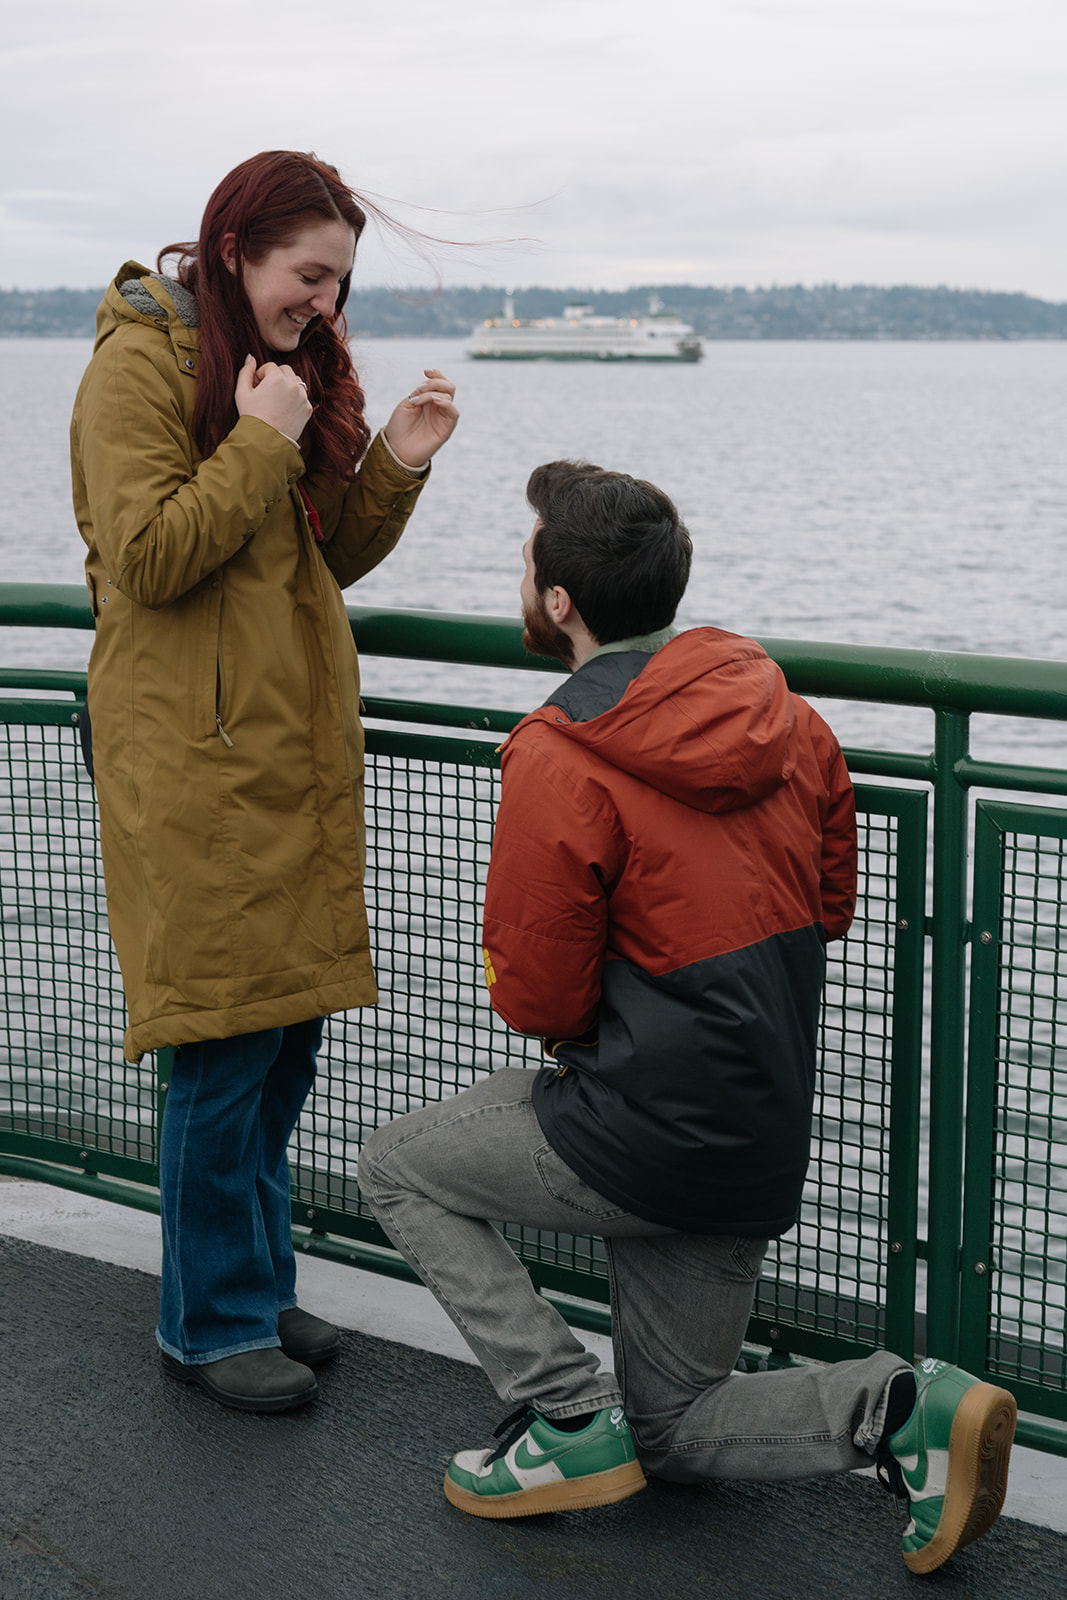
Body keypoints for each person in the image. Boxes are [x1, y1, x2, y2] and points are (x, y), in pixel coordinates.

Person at [359, 461, 1016, 1574]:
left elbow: (535, 997)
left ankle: (563, 1411)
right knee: (672, 1422)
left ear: (558, 602)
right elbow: (831, 901)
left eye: (527, 556)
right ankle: (903, 1404)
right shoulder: (785, 713)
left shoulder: (558, 753)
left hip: (636, 1130)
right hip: (752, 1128)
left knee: (395, 1164)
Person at [70, 150, 458, 1413]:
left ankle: (245, 1277)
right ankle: (206, 1321)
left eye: (340, 283)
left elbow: (314, 561)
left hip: (278, 759)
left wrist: (390, 460)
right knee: (223, 1045)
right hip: (191, 764)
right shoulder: (137, 363)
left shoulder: (280, 372)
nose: (326, 306)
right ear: (235, 249)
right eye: (309, 275)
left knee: (283, 1038)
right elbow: (146, 556)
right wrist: (256, 437)